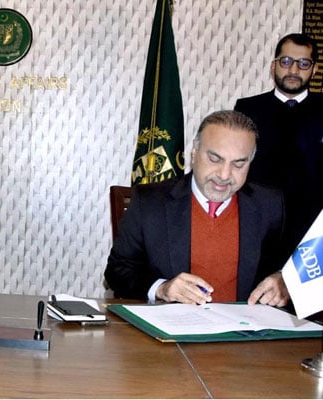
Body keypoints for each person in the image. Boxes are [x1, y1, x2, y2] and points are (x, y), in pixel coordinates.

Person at [105, 110, 289, 306]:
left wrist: (284, 281)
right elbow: (117, 271)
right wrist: (162, 288)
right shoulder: (150, 202)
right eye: (215, 159)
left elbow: (287, 268)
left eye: (238, 164)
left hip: (243, 331)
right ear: (194, 153)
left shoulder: (268, 204)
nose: (224, 175)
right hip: (173, 330)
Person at [234, 33, 323, 255]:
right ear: (273, 66)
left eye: (303, 63)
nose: (293, 70)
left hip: (314, 234)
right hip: (259, 229)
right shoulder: (248, 109)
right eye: (286, 62)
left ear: (315, 69)